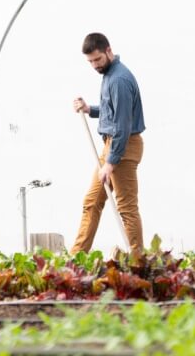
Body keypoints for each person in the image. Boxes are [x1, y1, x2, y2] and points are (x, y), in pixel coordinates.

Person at [70, 32, 145, 255]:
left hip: (124, 146)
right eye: (90, 61)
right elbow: (112, 112)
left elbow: (123, 125)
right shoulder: (110, 75)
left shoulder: (119, 80)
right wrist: (89, 109)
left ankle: (138, 262)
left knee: (126, 208)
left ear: (108, 51)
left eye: (97, 59)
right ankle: (76, 259)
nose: (94, 65)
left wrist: (110, 163)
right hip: (112, 146)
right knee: (91, 202)